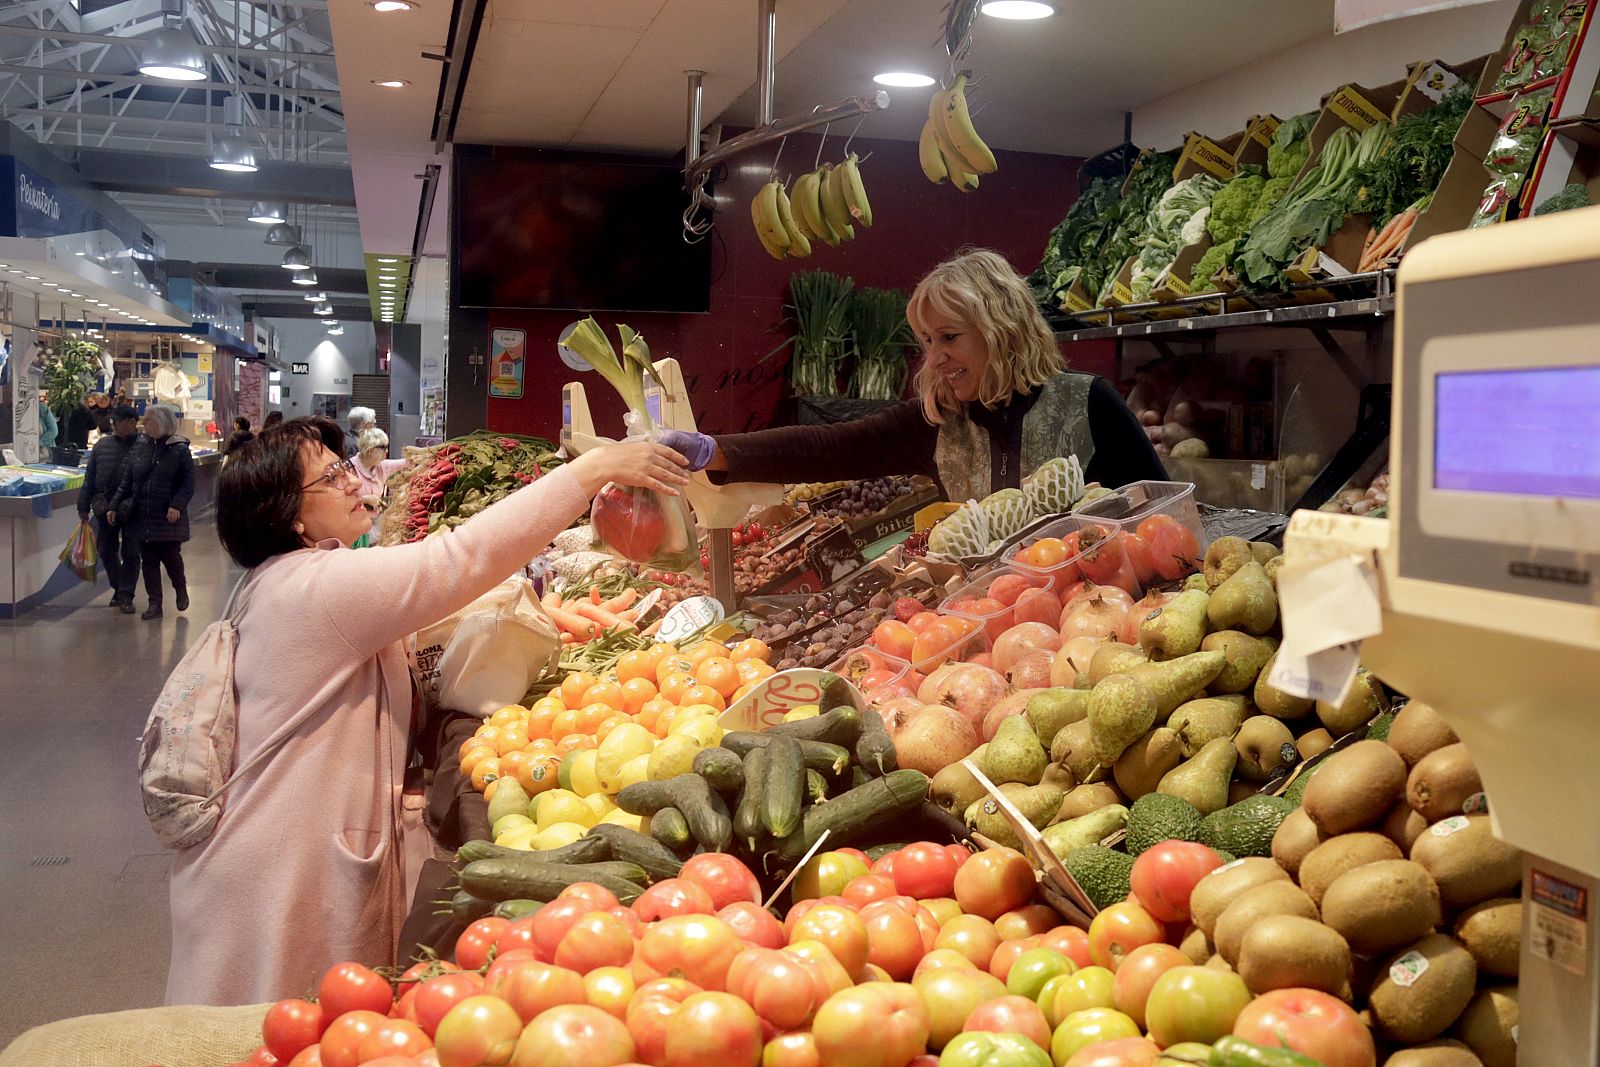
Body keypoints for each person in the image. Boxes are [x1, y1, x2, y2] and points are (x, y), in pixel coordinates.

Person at [166, 416, 689, 1005]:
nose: (352, 481)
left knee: (317, 1022)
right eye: (330, 478)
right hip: (278, 868)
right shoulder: (317, 587)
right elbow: (458, 558)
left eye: (343, 468)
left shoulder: (282, 583)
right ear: (291, 516)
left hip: (273, 847)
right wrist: (589, 472)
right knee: (280, 1025)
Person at [668, 248, 1164, 500]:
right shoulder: (937, 423)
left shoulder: (1089, 404)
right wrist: (714, 449)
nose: (935, 358)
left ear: (1002, 330)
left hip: (1090, 626)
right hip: (978, 631)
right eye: (927, 341)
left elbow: (1164, 510)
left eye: (949, 337)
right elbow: (826, 448)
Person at [108, 404, 195, 620]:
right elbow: (127, 481)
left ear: (161, 422)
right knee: (149, 561)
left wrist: (177, 505)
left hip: (167, 516)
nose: (143, 423)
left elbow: (187, 484)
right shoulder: (140, 449)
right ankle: (155, 603)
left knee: (171, 557)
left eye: (148, 419)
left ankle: (180, 588)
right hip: (143, 514)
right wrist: (114, 505)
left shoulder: (179, 451)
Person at [77, 405, 142, 612]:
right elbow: (89, 478)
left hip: (133, 508)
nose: (113, 424)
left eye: (118, 421)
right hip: (104, 507)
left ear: (132, 422)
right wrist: (83, 505)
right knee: (105, 550)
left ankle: (126, 596)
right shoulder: (102, 446)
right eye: (112, 420)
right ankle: (119, 587)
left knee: (131, 552)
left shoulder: (145, 446)